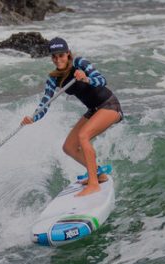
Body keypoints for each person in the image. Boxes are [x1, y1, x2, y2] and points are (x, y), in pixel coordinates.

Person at [21, 37, 124, 197]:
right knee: (69, 147)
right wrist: (33, 118)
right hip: (93, 110)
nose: (57, 59)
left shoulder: (80, 63)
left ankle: (93, 184)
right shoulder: (53, 78)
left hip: (109, 105)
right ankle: (98, 174)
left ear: (68, 54)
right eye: (54, 57)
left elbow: (102, 80)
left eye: (61, 55)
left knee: (83, 136)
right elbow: (45, 104)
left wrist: (85, 78)